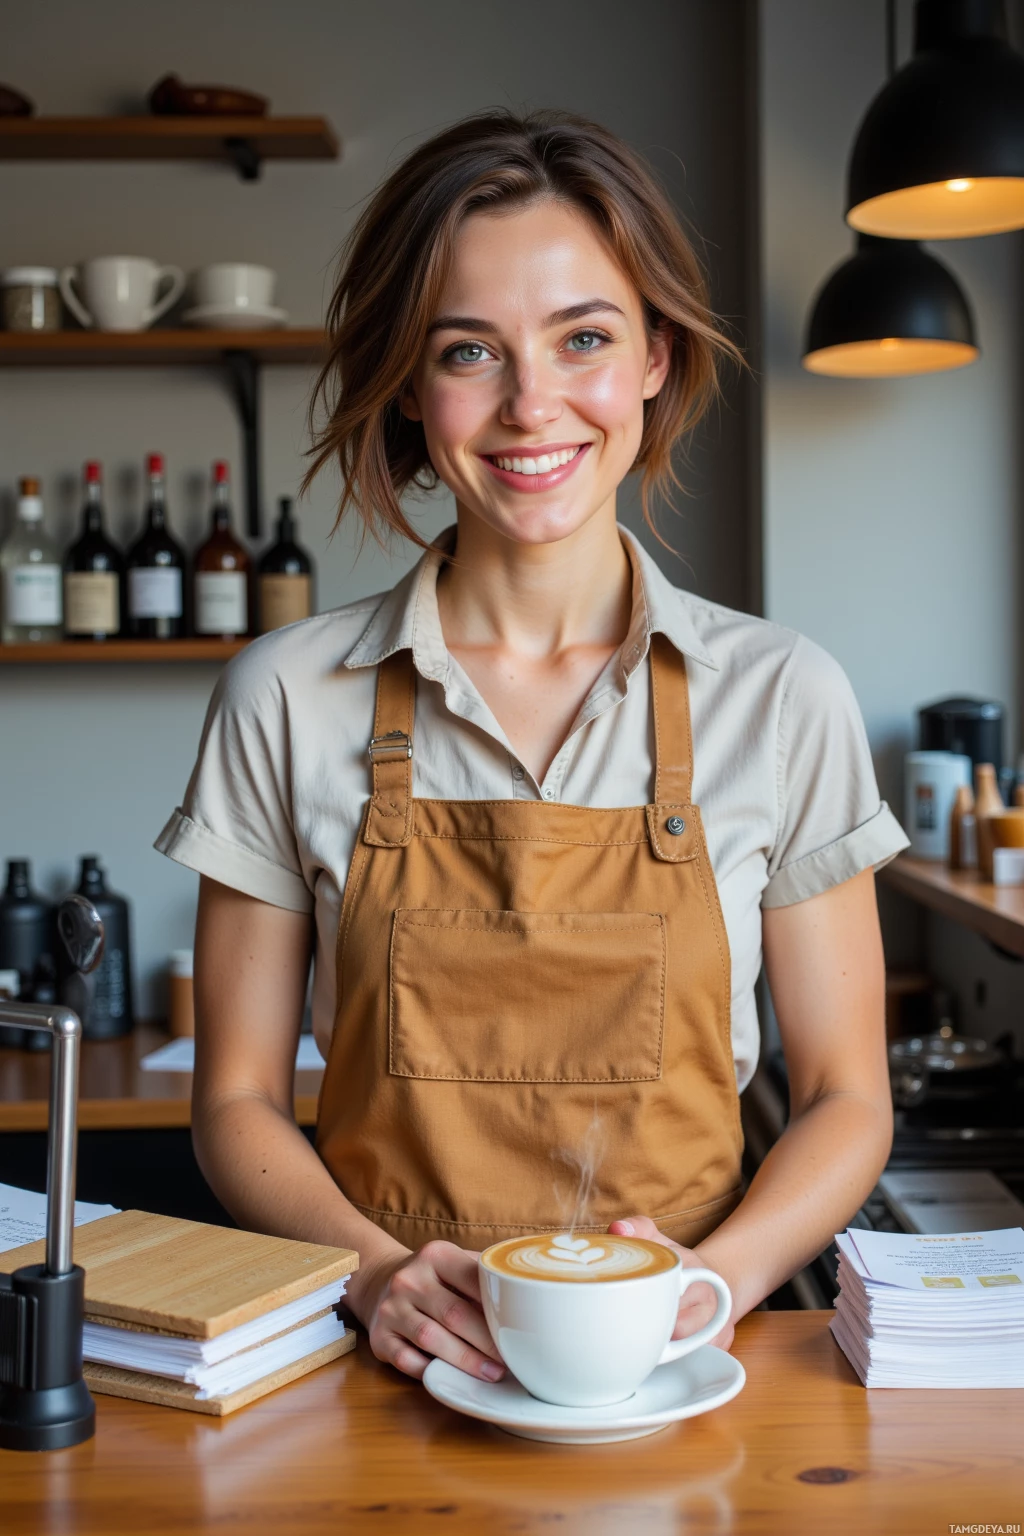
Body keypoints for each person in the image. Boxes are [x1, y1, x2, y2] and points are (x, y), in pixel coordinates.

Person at [157, 109, 908, 1385]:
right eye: (469, 351)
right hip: (382, 1371)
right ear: (410, 379)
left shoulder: (781, 696)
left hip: (687, 1373)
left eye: (583, 339)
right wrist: (379, 1278)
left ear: (656, 357)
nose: (530, 405)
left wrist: (717, 1282)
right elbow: (232, 1103)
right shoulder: (282, 697)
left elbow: (847, 1095)